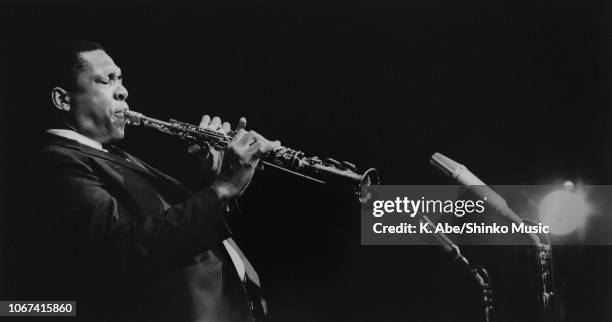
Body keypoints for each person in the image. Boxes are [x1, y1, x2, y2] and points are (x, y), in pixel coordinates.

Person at [31, 40, 279, 321]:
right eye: (107, 80)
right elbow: (122, 250)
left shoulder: (113, 156)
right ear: (63, 99)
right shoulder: (58, 161)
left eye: (121, 79)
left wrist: (216, 180)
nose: (123, 91)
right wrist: (223, 188)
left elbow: (179, 233)